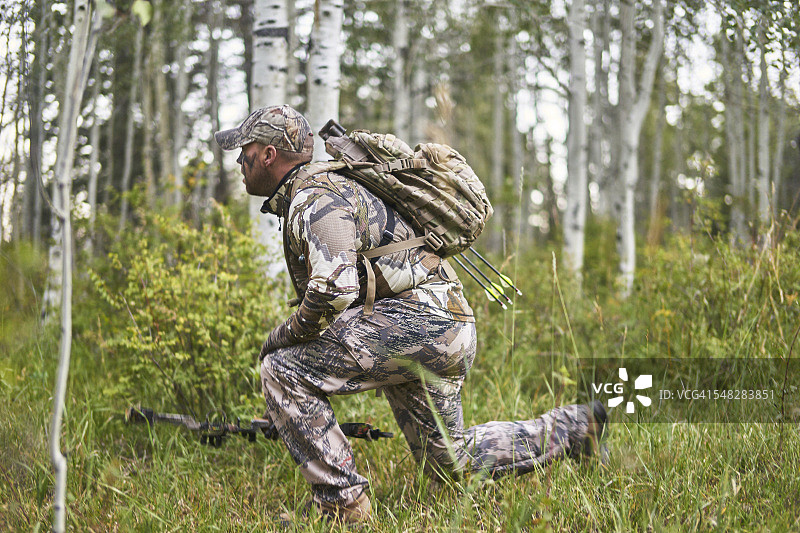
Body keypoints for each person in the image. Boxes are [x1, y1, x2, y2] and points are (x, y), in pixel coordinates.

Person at [214, 104, 607, 525]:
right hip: (445, 325)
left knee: (282, 368)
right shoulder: (334, 185)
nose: (240, 160)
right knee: (451, 463)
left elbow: (335, 288)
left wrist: (282, 336)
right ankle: (577, 426)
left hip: (418, 325)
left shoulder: (315, 197)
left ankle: (341, 503)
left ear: (270, 155)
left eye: (246, 150)